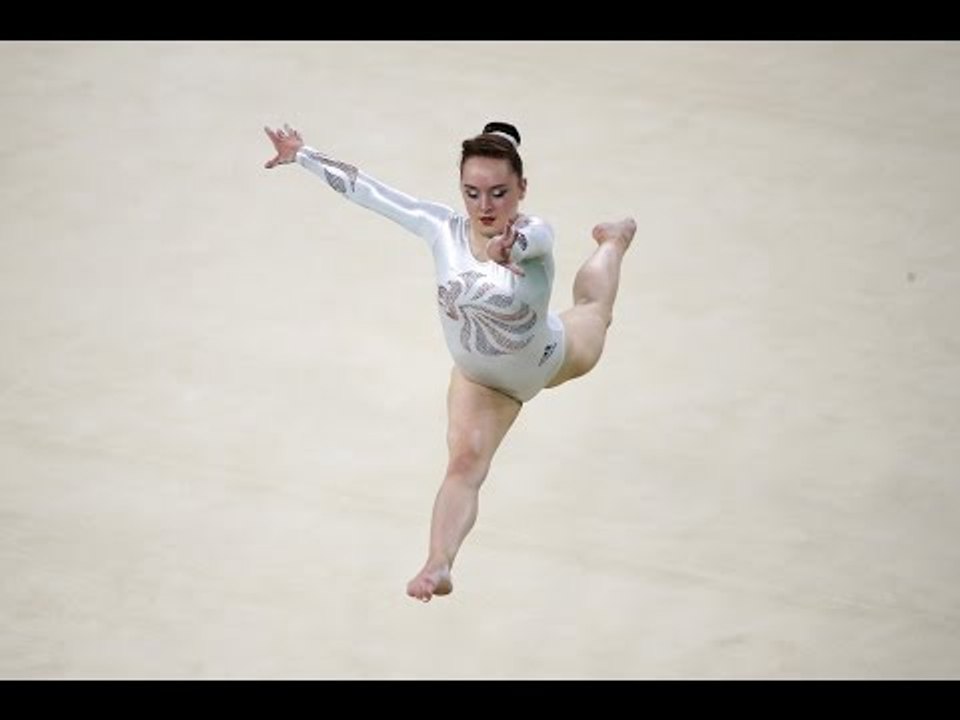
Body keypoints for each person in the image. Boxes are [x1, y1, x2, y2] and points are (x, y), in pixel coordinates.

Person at [263, 121, 635, 602]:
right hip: (480, 383)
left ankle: (612, 242)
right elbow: (369, 191)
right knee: (463, 466)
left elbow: (530, 243)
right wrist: (303, 155)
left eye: (499, 193)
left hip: (550, 356)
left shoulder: (535, 233)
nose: (485, 207)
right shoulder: (442, 228)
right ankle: (438, 563)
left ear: (522, 188)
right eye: (472, 193)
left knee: (594, 310)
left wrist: (508, 248)